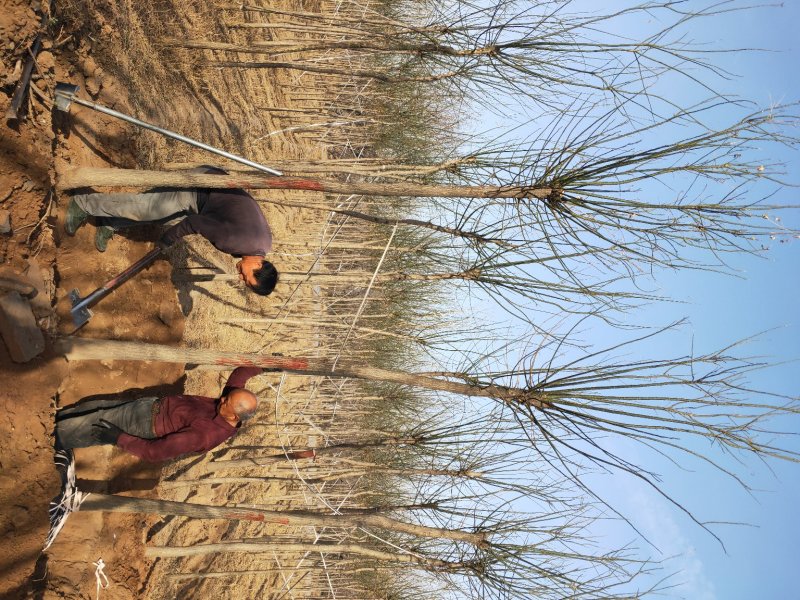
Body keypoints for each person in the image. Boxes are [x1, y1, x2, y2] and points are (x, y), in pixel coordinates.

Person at [63, 166, 278, 296]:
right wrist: (167, 240)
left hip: (211, 192)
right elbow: (195, 223)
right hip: (200, 186)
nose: (240, 276)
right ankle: (83, 203)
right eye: (246, 276)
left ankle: (109, 222)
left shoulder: (263, 244)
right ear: (259, 264)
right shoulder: (235, 241)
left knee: (163, 217)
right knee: (144, 208)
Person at [55, 367, 263, 462]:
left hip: (142, 423)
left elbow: (156, 452)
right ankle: (50, 420)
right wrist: (267, 365)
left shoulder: (205, 435)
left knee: (88, 427)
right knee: (94, 409)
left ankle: (47, 439)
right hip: (148, 406)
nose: (222, 398)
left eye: (227, 401)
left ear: (234, 417)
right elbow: (239, 375)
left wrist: (119, 438)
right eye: (227, 396)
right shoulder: (232, 405)